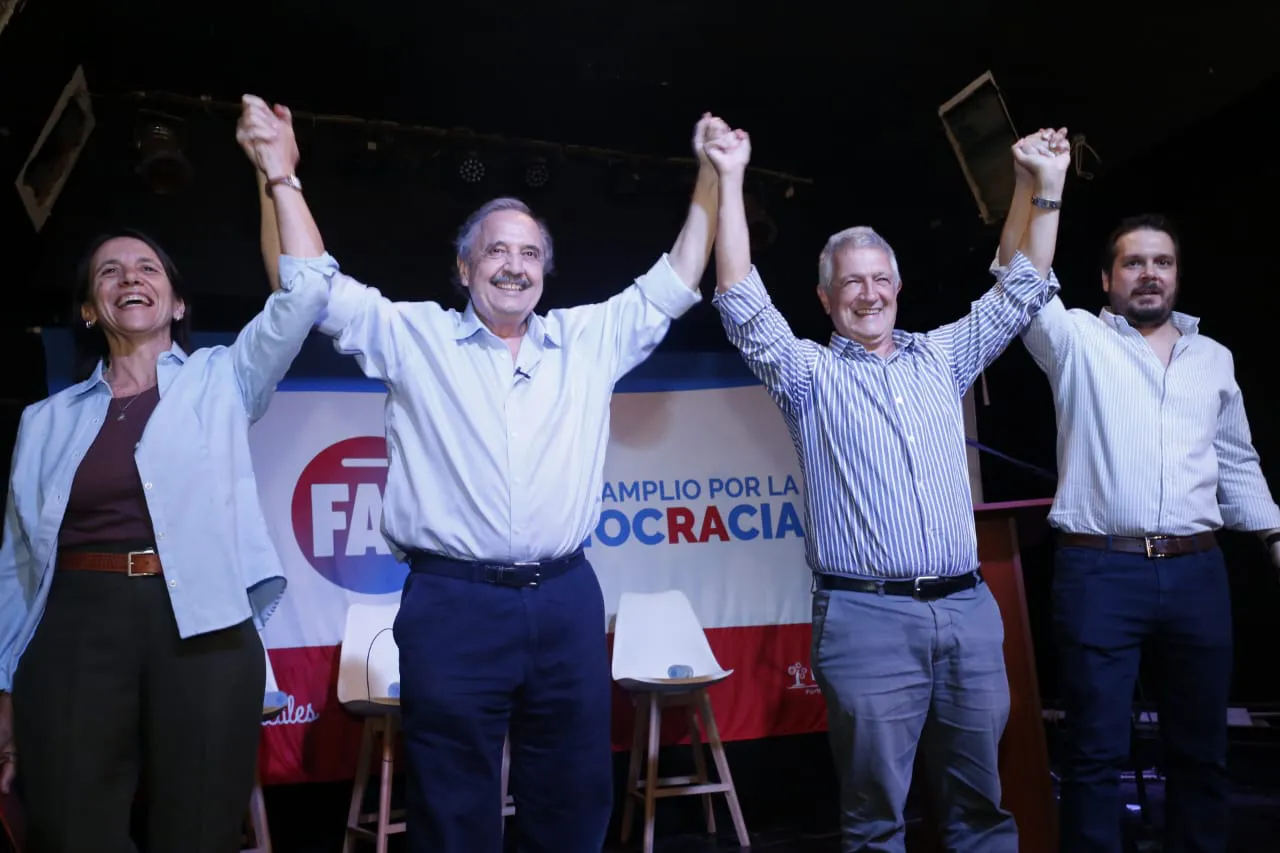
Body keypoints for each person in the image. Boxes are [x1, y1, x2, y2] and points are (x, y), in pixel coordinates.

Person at [241, 93, 733, 853]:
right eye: (497, 250)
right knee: (453, 805)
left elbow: (676, 279)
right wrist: (280, 174)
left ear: (546, 272)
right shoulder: (415, 336)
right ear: (464, 266)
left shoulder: (588, 339)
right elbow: (306, 283)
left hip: (566, 597)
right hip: (452, 604)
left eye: (530, 253)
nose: (514, 265)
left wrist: (713, 174)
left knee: (572, 797)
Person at [704, 124, 1070, 852]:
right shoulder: (809, 375)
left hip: (967, 609)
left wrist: (1046, 186)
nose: (868, 294)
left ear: (898, 287)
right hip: (866, 620)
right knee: (876, 821)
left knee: (982, 809)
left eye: (880, 279)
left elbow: (1022, 286)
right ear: (824, 295)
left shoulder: (941, 356)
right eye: (851, 281)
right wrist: (731, 178)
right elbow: (737, 293)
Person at [0, 98, 329, 853]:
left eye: (147, 267)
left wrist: (276, 174)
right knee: (70, 829)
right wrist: (4, 683)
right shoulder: (43, 421)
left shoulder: (221, 380)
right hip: (76, 627)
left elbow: (305, 292)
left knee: (197, 833)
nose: (129, 277)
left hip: (205, 630)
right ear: (89, 309)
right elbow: (18, 563)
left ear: (177, 302)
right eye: (108, 272)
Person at [997, 189, 1280, 852]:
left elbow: (1237, 460)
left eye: (1162, 261)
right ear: (1106, 277)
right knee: (1096, 751)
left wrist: (1273, 534)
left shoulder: (1214, 359)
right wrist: (1039, 188)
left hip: (1197, 570)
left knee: (1202, 750)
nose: (1148, 272)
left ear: (1177, 275)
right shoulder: (1074, 338)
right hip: (1101, 570)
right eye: (1133, 263)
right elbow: (1016, 274)